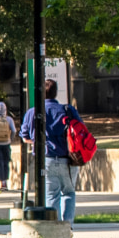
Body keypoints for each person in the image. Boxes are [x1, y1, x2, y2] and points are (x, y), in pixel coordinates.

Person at [37, 80, 79, 223]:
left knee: (51, 195)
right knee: (69, 192)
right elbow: (80, 131)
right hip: (68, 159)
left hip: (47, 159)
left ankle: (53, 226)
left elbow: (25, 137)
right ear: (56, 92)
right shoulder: (68, 110)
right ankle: (67, 226)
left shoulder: (34, 112)